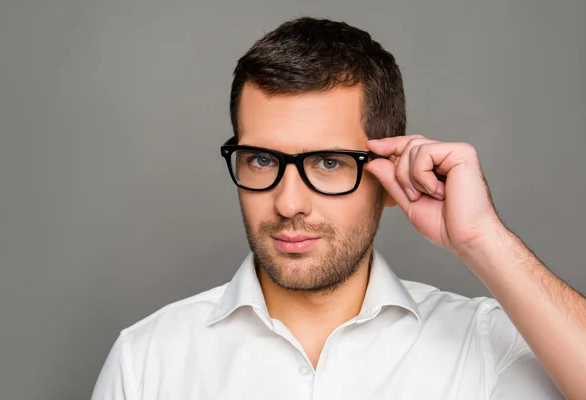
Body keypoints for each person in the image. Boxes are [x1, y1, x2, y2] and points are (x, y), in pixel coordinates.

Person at [91, 17, 585, 399]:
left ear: (388, 174)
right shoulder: (147, 360)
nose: (287, 202)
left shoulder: (486, 346)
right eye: (261, 159)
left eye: (328, 162)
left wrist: (483, 239)